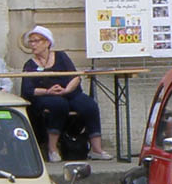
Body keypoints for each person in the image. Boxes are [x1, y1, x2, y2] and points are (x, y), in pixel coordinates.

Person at [19, 25, 111, 161]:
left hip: (69, 92)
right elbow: (28, 90)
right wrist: (48, 91)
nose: (33, 44)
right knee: (58, 105)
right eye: (31, 41)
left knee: (89, 105)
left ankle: (96, 149)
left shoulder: (61, 56)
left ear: (47, 42)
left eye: (36, 41)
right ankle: (53, 149)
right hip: (46, 96)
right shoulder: (30, 65)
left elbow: (75, 77)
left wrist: (67, 89)